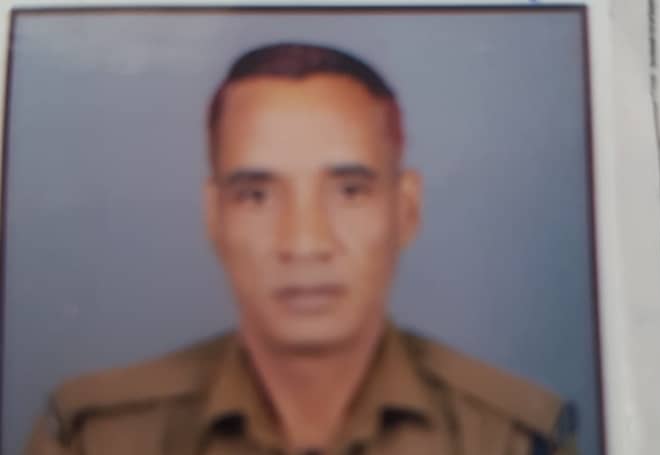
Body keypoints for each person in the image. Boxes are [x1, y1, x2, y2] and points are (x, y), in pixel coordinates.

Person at [25, 42, 576, 455]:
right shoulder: (95, 438)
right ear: (214, 217)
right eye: (257, 195)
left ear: (406, 210)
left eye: (350, 191)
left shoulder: (513, 439)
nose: (305, 244)